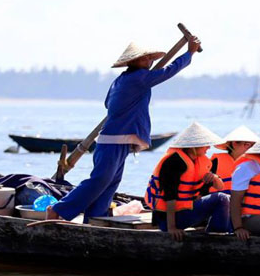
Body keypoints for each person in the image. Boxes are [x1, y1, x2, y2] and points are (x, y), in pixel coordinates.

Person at [49, 35, 201, 222]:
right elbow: (169, 71)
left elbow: (108, 104)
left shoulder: (122, 80)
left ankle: (96, 218)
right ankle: (57, 209)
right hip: (113, 140)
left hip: (119, 141)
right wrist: (189, 53)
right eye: (144, 59)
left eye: (149, 58)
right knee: (99, 181)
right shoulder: (138, 78)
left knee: (111, 183)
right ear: (133, 62)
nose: (148, 61)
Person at [144, 122, 231, 241]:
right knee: (222, 199)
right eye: (205, 144)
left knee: (226, 198)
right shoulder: (175, 161)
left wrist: (214, 178)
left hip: (186, 211)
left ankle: (217, 235)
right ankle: (217, 240)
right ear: (193, 146)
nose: (208, 148)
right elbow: (170, 196)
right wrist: (172, 227)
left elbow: (220, 187)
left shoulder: (201, 162)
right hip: (168, 219)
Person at [208, 126, 259, 193]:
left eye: (254, 146)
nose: (251, 149)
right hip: (218, 201)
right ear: (235, 144)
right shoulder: (215, 162)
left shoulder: (256, 165)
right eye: (248, 145)